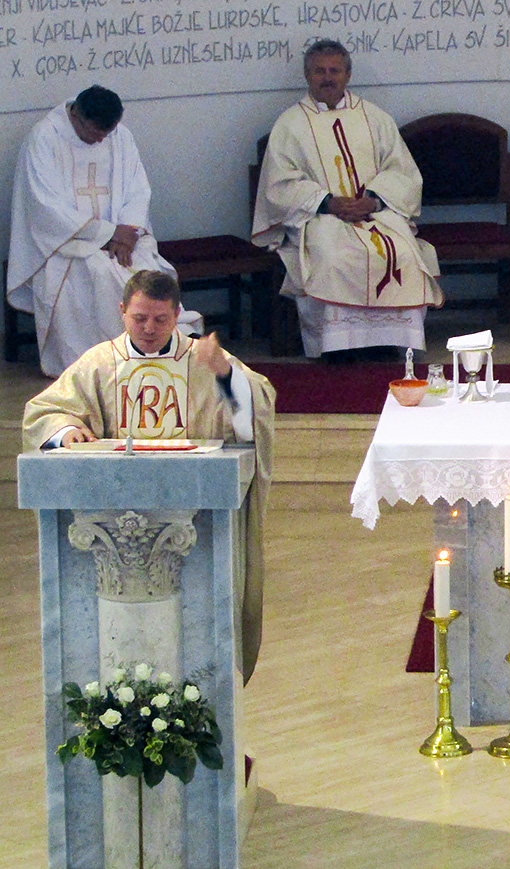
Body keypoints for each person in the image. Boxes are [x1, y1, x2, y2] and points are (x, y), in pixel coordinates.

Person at [23, 271, 275, 681]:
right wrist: (66, 430)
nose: (149, 329)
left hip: (194, 520)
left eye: (160, 319)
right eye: (139, 318)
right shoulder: (101, 363)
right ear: (122, 311)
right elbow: (44, 412)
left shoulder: (203, 360)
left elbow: (255, 416)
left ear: (178, 315)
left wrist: (227, 375)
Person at [252, 40, 442, 360]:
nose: (328, 77)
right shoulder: (290, 124)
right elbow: (279, 185)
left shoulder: (375, 118)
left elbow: (403, 173)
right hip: (319, 216)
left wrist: (374, 199)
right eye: (319, 71)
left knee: (404, 252)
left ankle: (387, 342)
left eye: (334, 70)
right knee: (330, 254)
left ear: (348, 75)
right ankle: (338, 346)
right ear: (307, 75)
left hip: (375, 213)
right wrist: (326, 201)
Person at [7, 85, 201, 378]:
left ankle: (165, 342)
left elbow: (138, 189)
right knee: (99, 270)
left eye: (107, 133)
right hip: (66, 241)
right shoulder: (45, 138)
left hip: (122, 236)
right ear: (78, 116)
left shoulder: (119, 135)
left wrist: (128, 230)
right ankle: (107, 362)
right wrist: (107, 234)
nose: (102, 140)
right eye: (96, 132)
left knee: (141, 264)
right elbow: (44, 206)